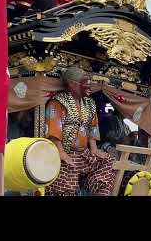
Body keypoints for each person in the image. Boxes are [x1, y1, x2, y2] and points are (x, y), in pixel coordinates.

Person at [44, 67, 116, 196]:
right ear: (72, 84)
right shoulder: (57, 102)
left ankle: (99, 192)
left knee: (108, 162)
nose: (89, 85)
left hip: (84, 154)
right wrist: (61, 153)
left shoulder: (90, 103)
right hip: (64, 154)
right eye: (85, 82)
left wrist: (94, 149)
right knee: (68, 168)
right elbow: (54, 131)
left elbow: (92, 128)